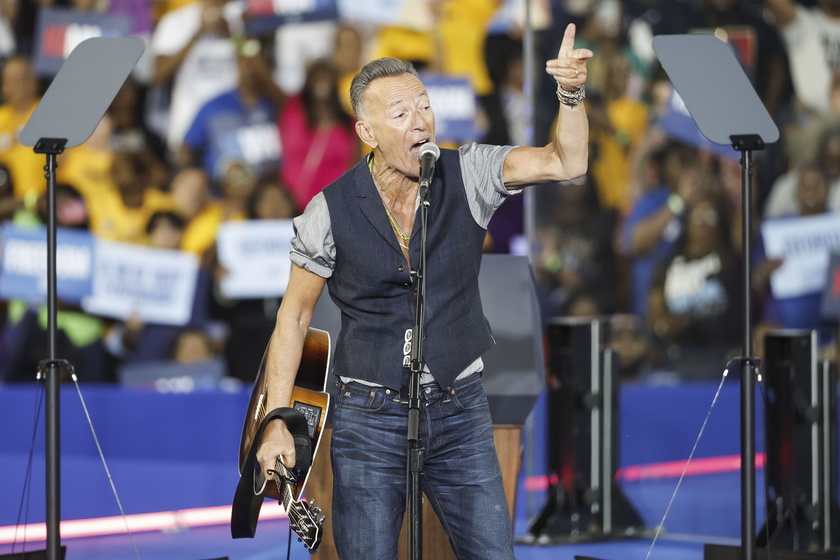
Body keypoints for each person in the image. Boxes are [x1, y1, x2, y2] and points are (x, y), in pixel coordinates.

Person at [255, 23, 592, 559]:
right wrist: (276, 422)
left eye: (426, 107)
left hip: (461, 408)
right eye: (401, 114)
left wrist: (571, 94)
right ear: (367, 132)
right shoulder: (328, 210)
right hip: (366, 416)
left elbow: (564, 161)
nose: (421, 122)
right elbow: (292, 320)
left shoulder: (471, 173)